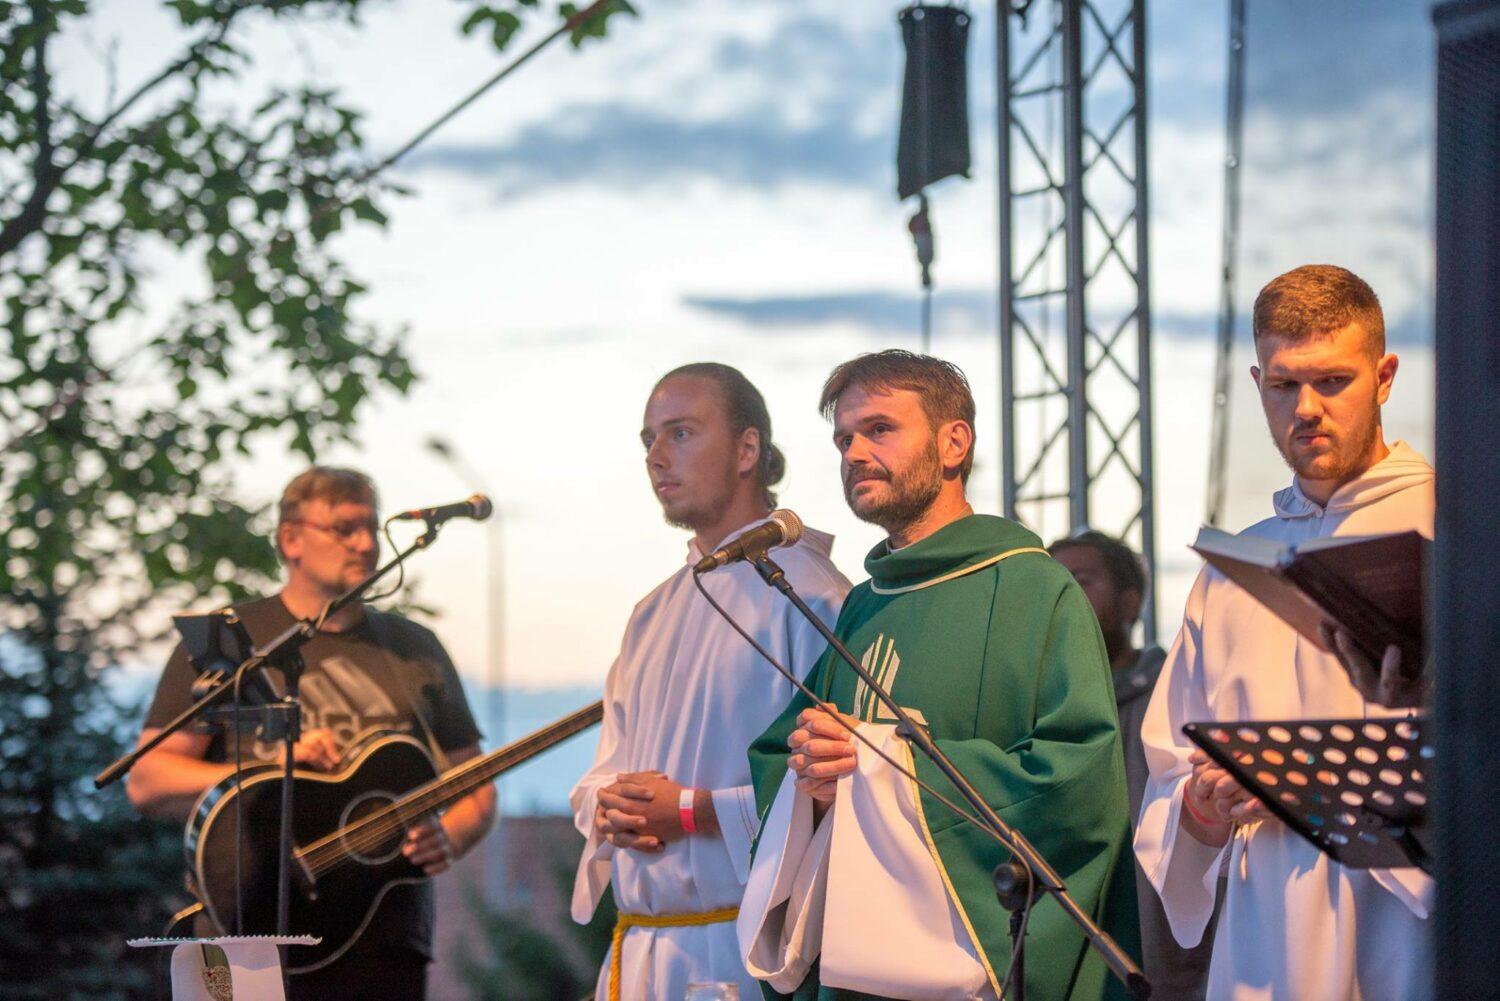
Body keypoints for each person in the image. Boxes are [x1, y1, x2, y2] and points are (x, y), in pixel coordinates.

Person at [739, 350, 1136, 1001]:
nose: (854, 452)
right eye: (843, 439)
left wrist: (882, 766)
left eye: (879, 429)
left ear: (954, 443)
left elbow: (1076, 784)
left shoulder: (1033, 589)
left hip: (966, 968)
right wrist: (812, 781)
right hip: (856, 964)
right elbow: (781, 759)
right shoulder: (863, 605)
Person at [1135, 264, 1434, 999]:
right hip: (1267, 929)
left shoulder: (1455, 529)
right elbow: (1170, 767)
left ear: (1384, 377)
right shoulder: (1235, 569)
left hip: (1413, 925)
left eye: (1332, 381)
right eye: (1282, 384)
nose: (1306, 408)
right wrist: (1204, 805)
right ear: (1257, 383)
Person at [127, 466, 495, 1001]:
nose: (366, 544)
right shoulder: (230, 641)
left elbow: (475, 783)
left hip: (383, 941)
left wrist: (450, 835)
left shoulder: (416, 646)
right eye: (344, 529)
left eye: (371, 527)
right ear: (291, 540)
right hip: (243, 930)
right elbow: (148, 782)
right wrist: (276, 766)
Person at [569, 363, 851, 1001]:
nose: (656, 458)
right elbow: (601, 772)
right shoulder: (650, 613)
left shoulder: (810, 596)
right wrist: (608, 806)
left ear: (747, 450)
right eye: (649, 440)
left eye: (681, 433)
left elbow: (833, 784)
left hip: (746, 953)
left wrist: (692, 811)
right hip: (640, 948)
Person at [1051, 531, 1216, 1000]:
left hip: (1160, 956)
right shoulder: (1041, 710)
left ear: (1131, 602)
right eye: (1054, 585)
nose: (1064, 598)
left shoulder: (1176, 695)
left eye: (1081, 580)